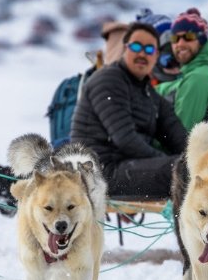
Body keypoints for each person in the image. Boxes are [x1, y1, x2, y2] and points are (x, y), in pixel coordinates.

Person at [70, 22, 188, 199]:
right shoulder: (108, 81)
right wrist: (169, 162)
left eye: (149, 50)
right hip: (99, 174)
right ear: (125, 49)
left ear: (156, 55)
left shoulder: (147, 92)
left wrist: (197, 154)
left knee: (198, 168)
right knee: (182, 171)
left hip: (125, 167)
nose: (142, 53)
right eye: (136, 46)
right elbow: (125, 139)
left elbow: (174, 132)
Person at [154, 8, 208, 131]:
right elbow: (173, 87)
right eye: (175, 38)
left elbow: (180, 135)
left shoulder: (200, 77)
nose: (180, 44)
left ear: (201, 41)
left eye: (189, 37)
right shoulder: (207, 71)